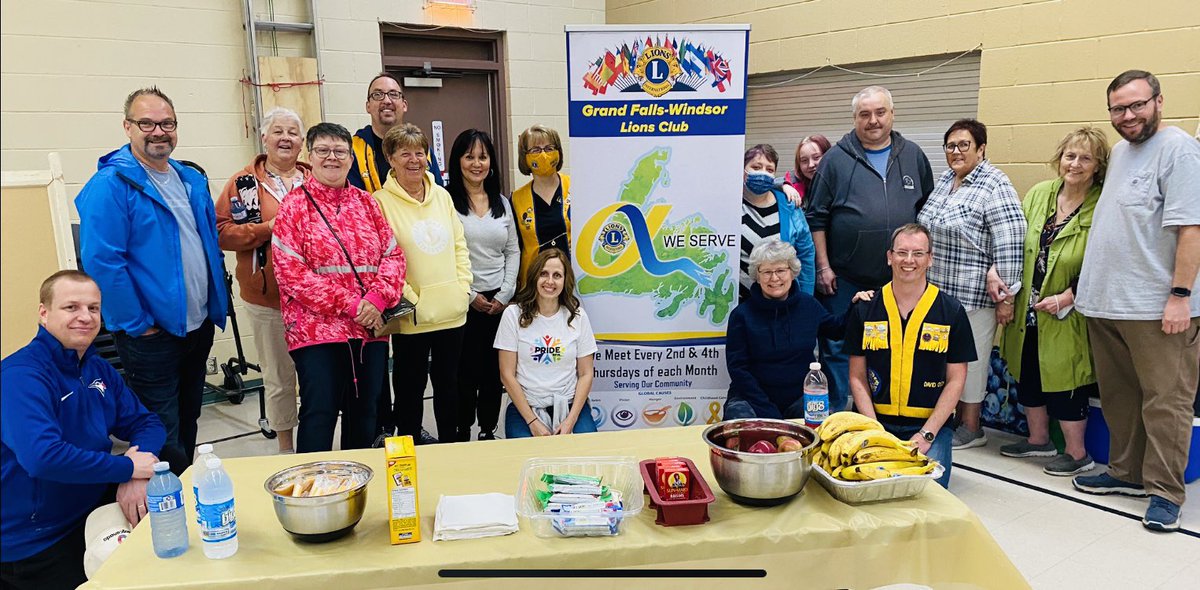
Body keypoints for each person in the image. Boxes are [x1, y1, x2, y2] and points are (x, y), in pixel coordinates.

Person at [75, 86, 228, 475]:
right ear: (127, 127)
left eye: (167, 123)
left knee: (189, 419)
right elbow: (102, 262)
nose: (158, 131)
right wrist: (139, 324)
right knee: (160, 429)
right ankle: (164, 511)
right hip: (151, 336)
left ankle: (188, 492)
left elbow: (205, 243)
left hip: (196, 327)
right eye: (147, 123)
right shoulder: (111, 185)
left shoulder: (189, 179)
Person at [1072, 70, 1200, 533]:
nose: (1127, 116)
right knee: (1120, 396)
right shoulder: (1124, 152)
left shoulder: (1179, 149)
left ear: (1159, 101)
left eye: (1136, 105)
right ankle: (1126, 473)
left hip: (1156, 307)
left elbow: (1191, 230)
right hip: (1108, 304)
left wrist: (1180, 297)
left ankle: (1165, 492)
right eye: (1118, 109)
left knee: (1166, 401)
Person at [1, 271, 166, 590]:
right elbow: (43, 458)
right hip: (35, 539)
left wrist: (135, 475)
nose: (85, 317)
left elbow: (146, 422)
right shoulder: (21, 376)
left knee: (170, 459)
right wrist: (127, 467)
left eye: (93, 308)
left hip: (89, 506)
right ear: (44, 313)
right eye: (71, 307)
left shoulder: (94, 366)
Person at [271, 122, 407, 453]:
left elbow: (394, 256)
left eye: (340, 151)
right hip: (316, 333)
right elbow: (290, 272)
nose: (332, 158)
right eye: (323, 151)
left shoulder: (367, 203)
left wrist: (375, 299)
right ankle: (312, 493)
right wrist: (352, 304)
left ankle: (356, 489)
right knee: (320, 414)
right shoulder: (294, 206)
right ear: (310, 156)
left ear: (350, 159)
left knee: (365, 415)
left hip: (370, 330)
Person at [807, 86, 935, 413]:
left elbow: (927, 212)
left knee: (893, 345)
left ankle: (882, 416)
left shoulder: (914, 156)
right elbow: (817, 217)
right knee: (836, 347)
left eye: (880, 112)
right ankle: (833, 416)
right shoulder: (835, 159)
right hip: (843, 277)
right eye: (865, 114)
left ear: (892, 114)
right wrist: (824, 267)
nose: (873, 120)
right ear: (854, 119)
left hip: (899, 278)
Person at [998, 127, 1109, 476]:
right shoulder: (1040, 193)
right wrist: (998, 276)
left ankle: (1077, 454)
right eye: (1070, 155)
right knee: (1028, 370)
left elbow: (1107, 261)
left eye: (1085, 158)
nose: (1075, 163)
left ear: (1098, 166)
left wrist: (1067, 297)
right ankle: (1038, 440)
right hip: (1029, 305)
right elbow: (1015, 241)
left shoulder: (1102, 204)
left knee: (1067, 377)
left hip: (1072, 308)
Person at [916, 119, 1026, 451]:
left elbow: (1011, 238)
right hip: (939, 292)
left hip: (975, 295)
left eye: (964, 145)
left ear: (981, 148)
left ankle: (972, 426)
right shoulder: (947, 180)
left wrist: (1006, 295)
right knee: (944, 361)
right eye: (950, 145)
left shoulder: (995, 183)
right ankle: (947, 419)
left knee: (973, 364)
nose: (956, 151)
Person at [845, 224, 976, 489]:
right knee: (863, 489)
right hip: (874, 421)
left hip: (929, 426)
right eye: (902, 252)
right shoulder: (866, 308)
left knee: (930, 493)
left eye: (918, 253)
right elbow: (857, 376)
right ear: (889, 257)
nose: (909, 260)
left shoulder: (951, 311)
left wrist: (927, 434)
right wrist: (873, 429)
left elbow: (956, 380)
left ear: (930, 259)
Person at [215, 106, 311, 454]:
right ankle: (286, 447)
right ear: (264, 138)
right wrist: (266, 229)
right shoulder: (243, 184)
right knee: (279, 378)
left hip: (317, 300)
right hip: (268, 299)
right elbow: (222, 233)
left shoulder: (315, 179)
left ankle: (316, 442)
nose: (285, 138)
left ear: (302, 141)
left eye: (293, 132)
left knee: (317, 377)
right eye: (278, 132)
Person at [373, 123, 472, 443]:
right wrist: (409, 299)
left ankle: (452, 448)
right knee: (409, 391)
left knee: (449, 387)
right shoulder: (379, 202)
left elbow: (459, 244)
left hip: (452, 312)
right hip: (411, 317)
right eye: (405, 153)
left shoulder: (442, 196)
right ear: (390, 158)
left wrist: (464, 288)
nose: (414, 160)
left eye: (420, 152)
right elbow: (381, 257)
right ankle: (411, 451)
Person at [724, 238, 859, 420]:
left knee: (827, 426)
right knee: (738, 428)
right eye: (767, 272)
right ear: (757, 275)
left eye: (780, 270)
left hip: (799, 397)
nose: (774, 278)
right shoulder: (741, 315)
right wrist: (768, 412)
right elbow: (738, 370)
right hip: (751, 399)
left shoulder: (808, 304)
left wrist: (855, 306)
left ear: (792, 271)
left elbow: (837, 330)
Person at [447, 129, 519, 441]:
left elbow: (513, 250)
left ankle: (488, 430)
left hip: (498, 303)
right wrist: (470, 295)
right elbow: (444, 253)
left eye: (483, 156)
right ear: (457, 161)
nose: (477, 163)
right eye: (469, 156)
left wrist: (504, 294)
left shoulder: (502, 202)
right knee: (463, 374)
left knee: (494, 373)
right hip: (462, 300)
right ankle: (461, 429)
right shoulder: (446, 201)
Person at [495, 249, 598, 438]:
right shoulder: (512, 315)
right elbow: (506, 375)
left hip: (569, 404)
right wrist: (533, 422)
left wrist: (571, 421)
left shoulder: (578, 317)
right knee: (524, 459)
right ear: (534, 276)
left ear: (565, 281)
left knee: (587, 455)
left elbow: (586, 373)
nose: (550, 281)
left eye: (557, 275)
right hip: (526, 407)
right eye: (544, 273)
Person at [740, 144, 816, 302]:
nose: (763, 173)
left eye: (769, 169)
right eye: (756, 167)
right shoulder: (730, 204)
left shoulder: (790, 206)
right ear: (743, 171)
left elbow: (806, 254)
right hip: (735, 301)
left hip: (781, 303)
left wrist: (805, 297)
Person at [347, 72, 443, 192]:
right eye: (378, 94)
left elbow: (437, 192)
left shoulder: (421, 148)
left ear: (404, 105)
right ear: (368, 106)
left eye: (393, 94)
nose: (387, 100)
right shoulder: (353, 150)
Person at [512, 125, 572, 287]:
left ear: (558, 151)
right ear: (524, 157)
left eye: (549, 148)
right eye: (535, 150)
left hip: (573, 281)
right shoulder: (517, 198)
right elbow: (514, 248)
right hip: (534, 285)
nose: (544, 155)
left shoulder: (575, 187)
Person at [780, 134, 832, 210]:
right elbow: (772, 183)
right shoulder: (792, 182)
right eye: (804, 160)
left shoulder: (840, 183)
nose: (810, 165)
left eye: (816, 157)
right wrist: (783, 186)